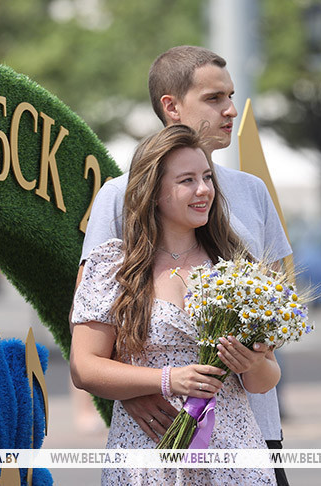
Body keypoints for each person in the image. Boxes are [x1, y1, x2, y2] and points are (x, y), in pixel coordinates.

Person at [76, 45, 293, 485]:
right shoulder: (120, 196)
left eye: (230, 96)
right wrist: (147, 386)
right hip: (152, 438)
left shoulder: (251, 193)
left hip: (249, 433)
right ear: (171, 106)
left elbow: (271, 335)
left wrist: (252, 359)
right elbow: (91, 332)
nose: (230, 109)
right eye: (214, 98)